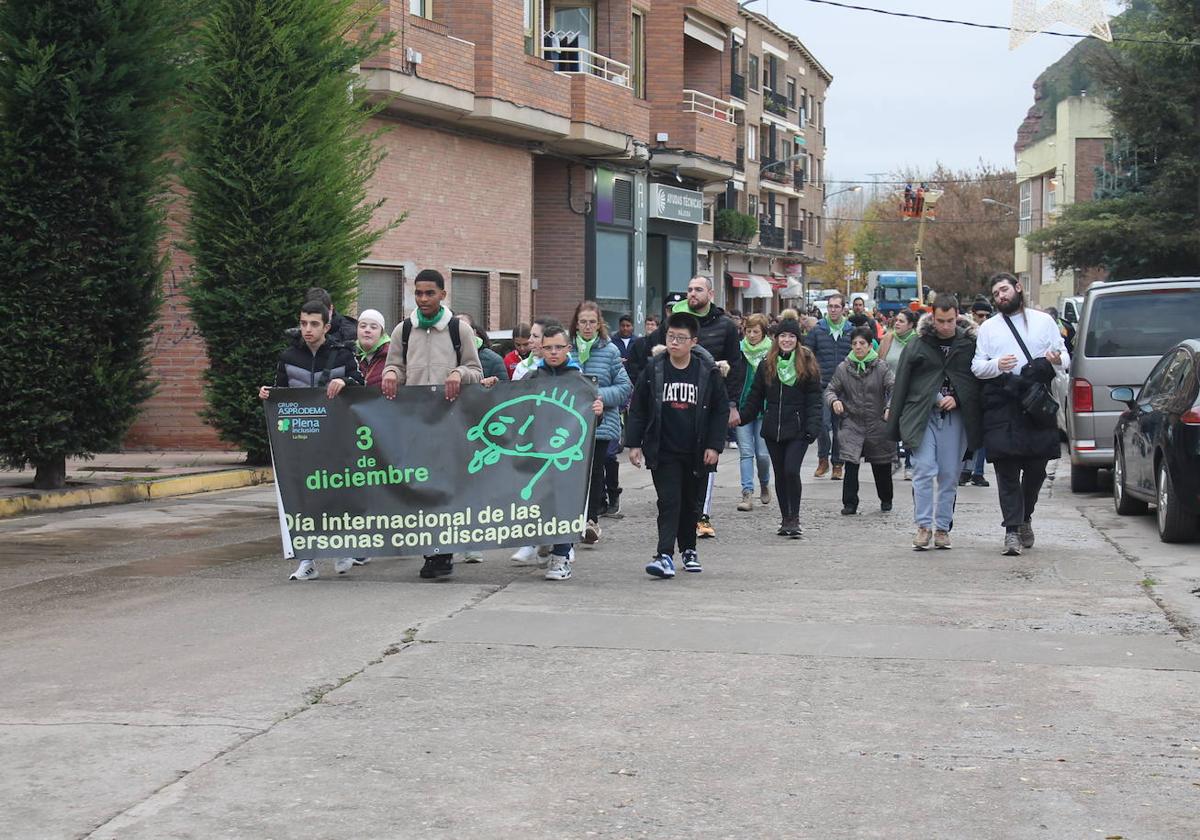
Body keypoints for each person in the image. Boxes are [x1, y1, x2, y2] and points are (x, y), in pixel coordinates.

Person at [381, 269, 483, 579]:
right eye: (419, 293)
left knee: (446, 488)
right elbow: (395, 366)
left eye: (430, 293)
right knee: (421, 487)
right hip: (415, 423)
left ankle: (444, 552)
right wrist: (391, 375)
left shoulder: (457, 330)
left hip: (449, 422)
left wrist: (458, 374)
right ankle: (431, 550)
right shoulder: (403, 330)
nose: (423, 299)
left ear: (442, 294)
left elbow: (475, 371)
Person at [259, 299, 364, 581]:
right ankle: (307, 560)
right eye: (303, 322)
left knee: (337, 494)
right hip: (301, 441)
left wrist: (347, 383)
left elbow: (361, 384)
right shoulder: (288, 357)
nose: (307, 329)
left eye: (314, 324)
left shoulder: (343, 355)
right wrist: (269, 393)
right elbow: (280, 391)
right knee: (304, 500)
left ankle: (343, 548)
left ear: (326, 326)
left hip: (336, 438)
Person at [972, 273, 1069, 556]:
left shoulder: (1044, 321)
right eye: (996, 293)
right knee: (1007, 470)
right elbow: (978, 367)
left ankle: (1025, 517)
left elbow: (1064, 359)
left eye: (1004, 290)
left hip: (1035, 403)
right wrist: (997, 364)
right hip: (1002, 401)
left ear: (1017, 288)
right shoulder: (989, 328)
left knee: (1037, 469)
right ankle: (1012, 530)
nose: (1000, 296)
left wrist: (1055, 360)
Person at [626, 312, 729, 577]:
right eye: (671, 336)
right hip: (663, 449)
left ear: (693, 342)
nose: (674, 342)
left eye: (681, 338)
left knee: (690, 503)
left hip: (696, 449)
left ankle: (689, 549)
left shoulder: (707, 371)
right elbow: (638, 407)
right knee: (669, 501)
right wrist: (634, 443)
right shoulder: (655, 368)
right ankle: (663, 555)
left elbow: (719, 410)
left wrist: (715, 446)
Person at [646, 277, 743, 539]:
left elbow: (736, 365)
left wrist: (732, 403)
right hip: (675, 403)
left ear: (710, 293)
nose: (692, 294)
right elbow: (651, 354)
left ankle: (702, 515)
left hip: (711, 404)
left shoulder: (725, 326)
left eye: (698, 290)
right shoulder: (674, 322)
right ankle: (681, 513)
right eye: (689, 290)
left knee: (707, 459)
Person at [886, 295, 982, 551]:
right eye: (940, 321)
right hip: (923, 415)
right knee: (924, 469)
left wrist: (958, 399)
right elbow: (905, 382)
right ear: (933, 317)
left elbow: (975, 381)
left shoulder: (968, 344)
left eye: (950, 320)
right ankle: (923, 526)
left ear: (957, 316)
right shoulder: (918, 345)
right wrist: (894, 421)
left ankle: (942, 528)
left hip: (955, 417)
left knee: (950, 474)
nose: (945, 326)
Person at [521, 324, 604, 581]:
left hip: (569, 456)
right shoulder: (533, 378)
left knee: (565, 505)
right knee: (541, 503)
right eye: (548, 348)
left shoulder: (580, 381)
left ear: (568, 348)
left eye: (559, 347)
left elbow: (590, 422)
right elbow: (512, 406)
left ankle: (561, 556)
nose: (553, 352)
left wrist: (597, 412)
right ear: (540, 349)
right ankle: (544, 544)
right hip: (537, 453)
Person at [739, 319, 823, 537]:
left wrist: (813, 427)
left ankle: (794, 517)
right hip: (773, 429)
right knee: (780, 474)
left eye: (792, 337)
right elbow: (755, 397)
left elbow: (815, 399)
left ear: (797, 340)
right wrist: (740, 418)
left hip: (798, 429)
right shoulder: (767, 363)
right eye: (783, 336)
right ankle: (785, 517)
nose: (787, 340)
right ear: (776, 339)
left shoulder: (807, 362)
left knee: (791, 471)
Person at [569, 301, 632, 545]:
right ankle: (571, 517)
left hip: (600, 422)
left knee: (595, 471)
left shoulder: (610, 351)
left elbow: (625, 387)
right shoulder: (567, 349)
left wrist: (599, 396)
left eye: (592, 322)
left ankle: (591, 520)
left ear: (599, 324)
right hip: (570, 423)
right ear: (576, 323)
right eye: (583, 322)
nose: (587, 326)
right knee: (572, 472)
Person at [508, 316, 562, 567]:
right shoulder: (526, 371)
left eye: (535, 336)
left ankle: (561, 547)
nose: (530, 340)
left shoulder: (572, 372)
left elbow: (585, 398)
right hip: (533, 440)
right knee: (532, 491)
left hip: (560, 443)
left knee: (557, 494)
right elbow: (513, 400)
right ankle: (531, 541)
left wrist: (596, 405)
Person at [827, 327, 895, 516]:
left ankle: (886, 498)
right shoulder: (844, 368)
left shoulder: (881, 367)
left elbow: (894, 388)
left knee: (881, 464)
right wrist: (835, 401)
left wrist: (889, 407)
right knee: (850, 462)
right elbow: (830, 389)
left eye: (862, 343)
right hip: (852, 422)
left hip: (877, 422)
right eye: (855, 343)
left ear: (869, 345)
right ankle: (850, 503)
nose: (858, 347)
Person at [805, 293, 854, 480]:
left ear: (843, 309)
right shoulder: (818, 330)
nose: (833, 310)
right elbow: (807, 355)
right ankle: (823, 459)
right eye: (830, 306)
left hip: (845, 386)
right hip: (823, 385)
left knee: (840, 426)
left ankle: (838, 463)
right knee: (823, 425)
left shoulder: (851, 330)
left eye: (836, 306)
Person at [734, 313, 773, 511]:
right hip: (742, 408)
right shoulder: (739, 351)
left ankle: (764, 482)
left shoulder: (772, 352)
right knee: (746, 453)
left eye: (755, 332)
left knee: (763, 454)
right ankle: (747, 492)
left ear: (764, 332)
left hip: (764, 409)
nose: (751, 335)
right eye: (748, 331)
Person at [878, 308, 918, 480]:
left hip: (909, 390)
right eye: (897, 320)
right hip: (890, 389)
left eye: (902, 321)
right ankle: (894, 459)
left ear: (911, 325)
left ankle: (909, 463)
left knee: (906, 427)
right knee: (890, 425)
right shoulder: (889, 338)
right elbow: (880, 362)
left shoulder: (916, 341)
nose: (897, 324)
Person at [457, 313, 508, 384]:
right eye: (455, 331)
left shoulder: (493, 360)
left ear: (474, 332)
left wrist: (491, 385)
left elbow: (504, 390)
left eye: (464, 330)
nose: (459, 334)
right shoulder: (443, 356)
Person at [354, 309, 390, 388]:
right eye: (363, 326)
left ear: (382, 333)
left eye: (373, 327)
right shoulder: (349, 354)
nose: (367, 330)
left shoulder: (391, 356)